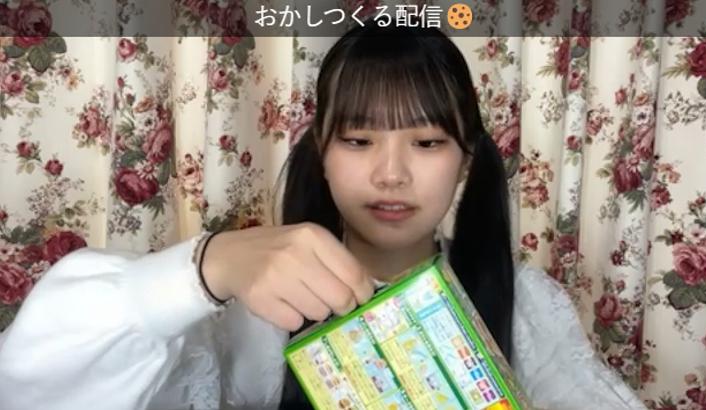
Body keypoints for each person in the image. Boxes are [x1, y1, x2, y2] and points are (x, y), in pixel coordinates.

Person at [0, 24, 645, 410]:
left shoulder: (528, 305)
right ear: (323, 155)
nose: (390, 174)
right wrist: (205, 267)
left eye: (426, 143)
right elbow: (30, 389)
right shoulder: (248, 304)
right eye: (359, 141)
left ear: (466, 160)